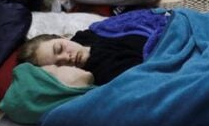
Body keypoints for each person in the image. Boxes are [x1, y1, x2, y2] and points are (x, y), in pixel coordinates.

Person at [18, 30, 147, 86]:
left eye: (60, 48)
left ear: (62, 37)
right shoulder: (102, 73)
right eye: (59, 65)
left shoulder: (85, 35)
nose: (67, 58)